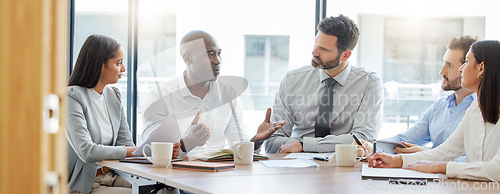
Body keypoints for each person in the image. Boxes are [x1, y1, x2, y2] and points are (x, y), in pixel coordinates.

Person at [367, 40, 500, 182]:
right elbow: (444, 152)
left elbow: (496, 170)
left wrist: (441, 167)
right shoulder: (475, 109)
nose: (461, 69)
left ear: (481, 69)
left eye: (466, 62)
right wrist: (396, 160)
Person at [66, 34, 181, 193]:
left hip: (115, 174)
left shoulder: (113, 96)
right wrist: (142, 149)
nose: (124, 69)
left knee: (168, 188)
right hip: (87, 183)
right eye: (119, 63)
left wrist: (155, 152)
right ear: (100, 65)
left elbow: (126, 144)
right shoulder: (72, 97)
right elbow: (87, 151)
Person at [142, 30, 286, 156]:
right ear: (187, 58)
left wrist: (257, 140)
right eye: (210, 54)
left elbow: (239, 148)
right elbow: (148, 152)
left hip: (217, 176)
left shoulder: (228, 94)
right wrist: (188, 143)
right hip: (173, 179)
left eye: (219, 54)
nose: (217, 61)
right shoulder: (159, 97)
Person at [265, 14, 383, 153]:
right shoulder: (293, 79)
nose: (314, 52)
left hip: (344, 165)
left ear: (346, 55)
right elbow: (272, 142)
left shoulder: (369, 83)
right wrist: (298, 145)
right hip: (296, 166)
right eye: (316, 44)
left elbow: (362, 140)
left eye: (324, 49)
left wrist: (304, 144)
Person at [355, 36, 478, 162]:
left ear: (469, 68)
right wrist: (372, 147)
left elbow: (477, 160)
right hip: (432, 177)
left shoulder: (482, 111)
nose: (442, 71)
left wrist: (426, 155)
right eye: (443, 63)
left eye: (450, 65)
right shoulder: (439, 106)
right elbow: (405, 140)